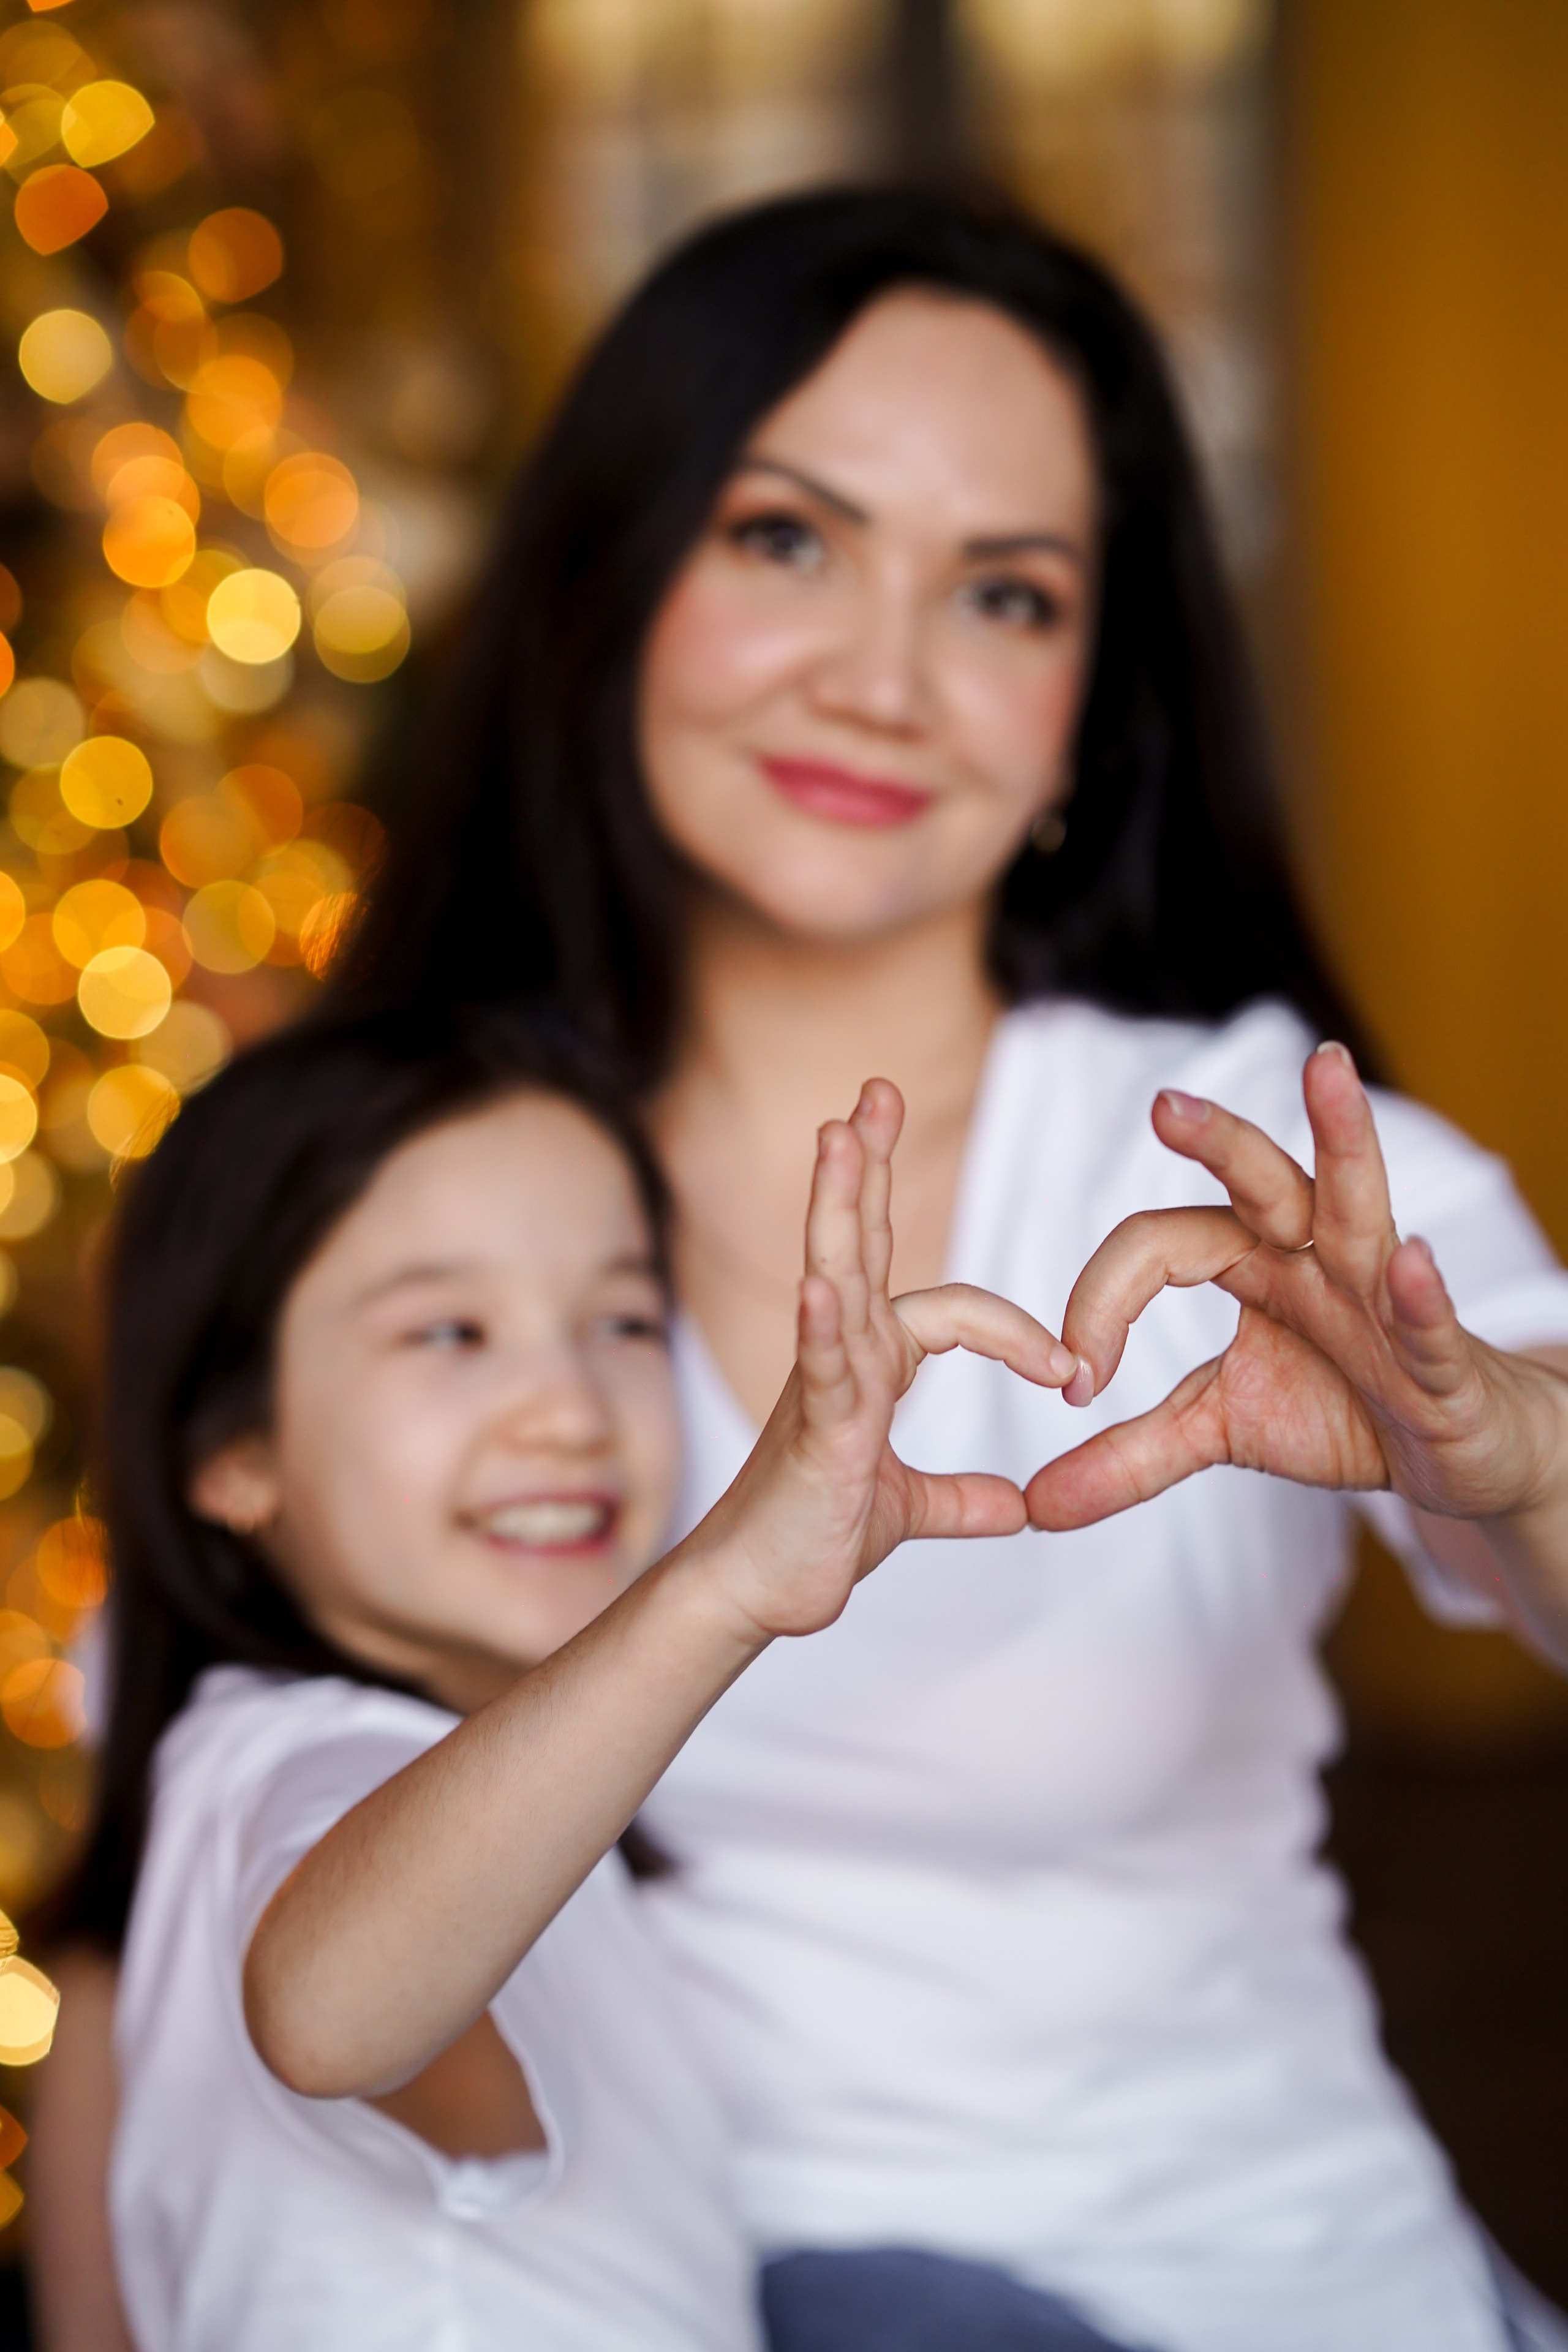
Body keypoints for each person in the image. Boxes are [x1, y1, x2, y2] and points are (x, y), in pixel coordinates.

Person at [339, 188, 1568, 2352]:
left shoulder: (1264, 1160)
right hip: (667, 2280)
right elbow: (185, 1873)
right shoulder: (403, 1188)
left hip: (1269, 2274)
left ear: (1093, 710)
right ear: (614, 577)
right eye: (788, 538)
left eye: (1004, 595)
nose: (883, 678)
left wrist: (1516, 1468)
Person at [51, 1004, 1095, 2351]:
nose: (568, 1407)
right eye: (448, 1334)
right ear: (233, 1451)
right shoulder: (302, 1758)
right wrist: (717, 1587)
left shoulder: (421, 1798)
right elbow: (326, 2014)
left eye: (617, 1320)